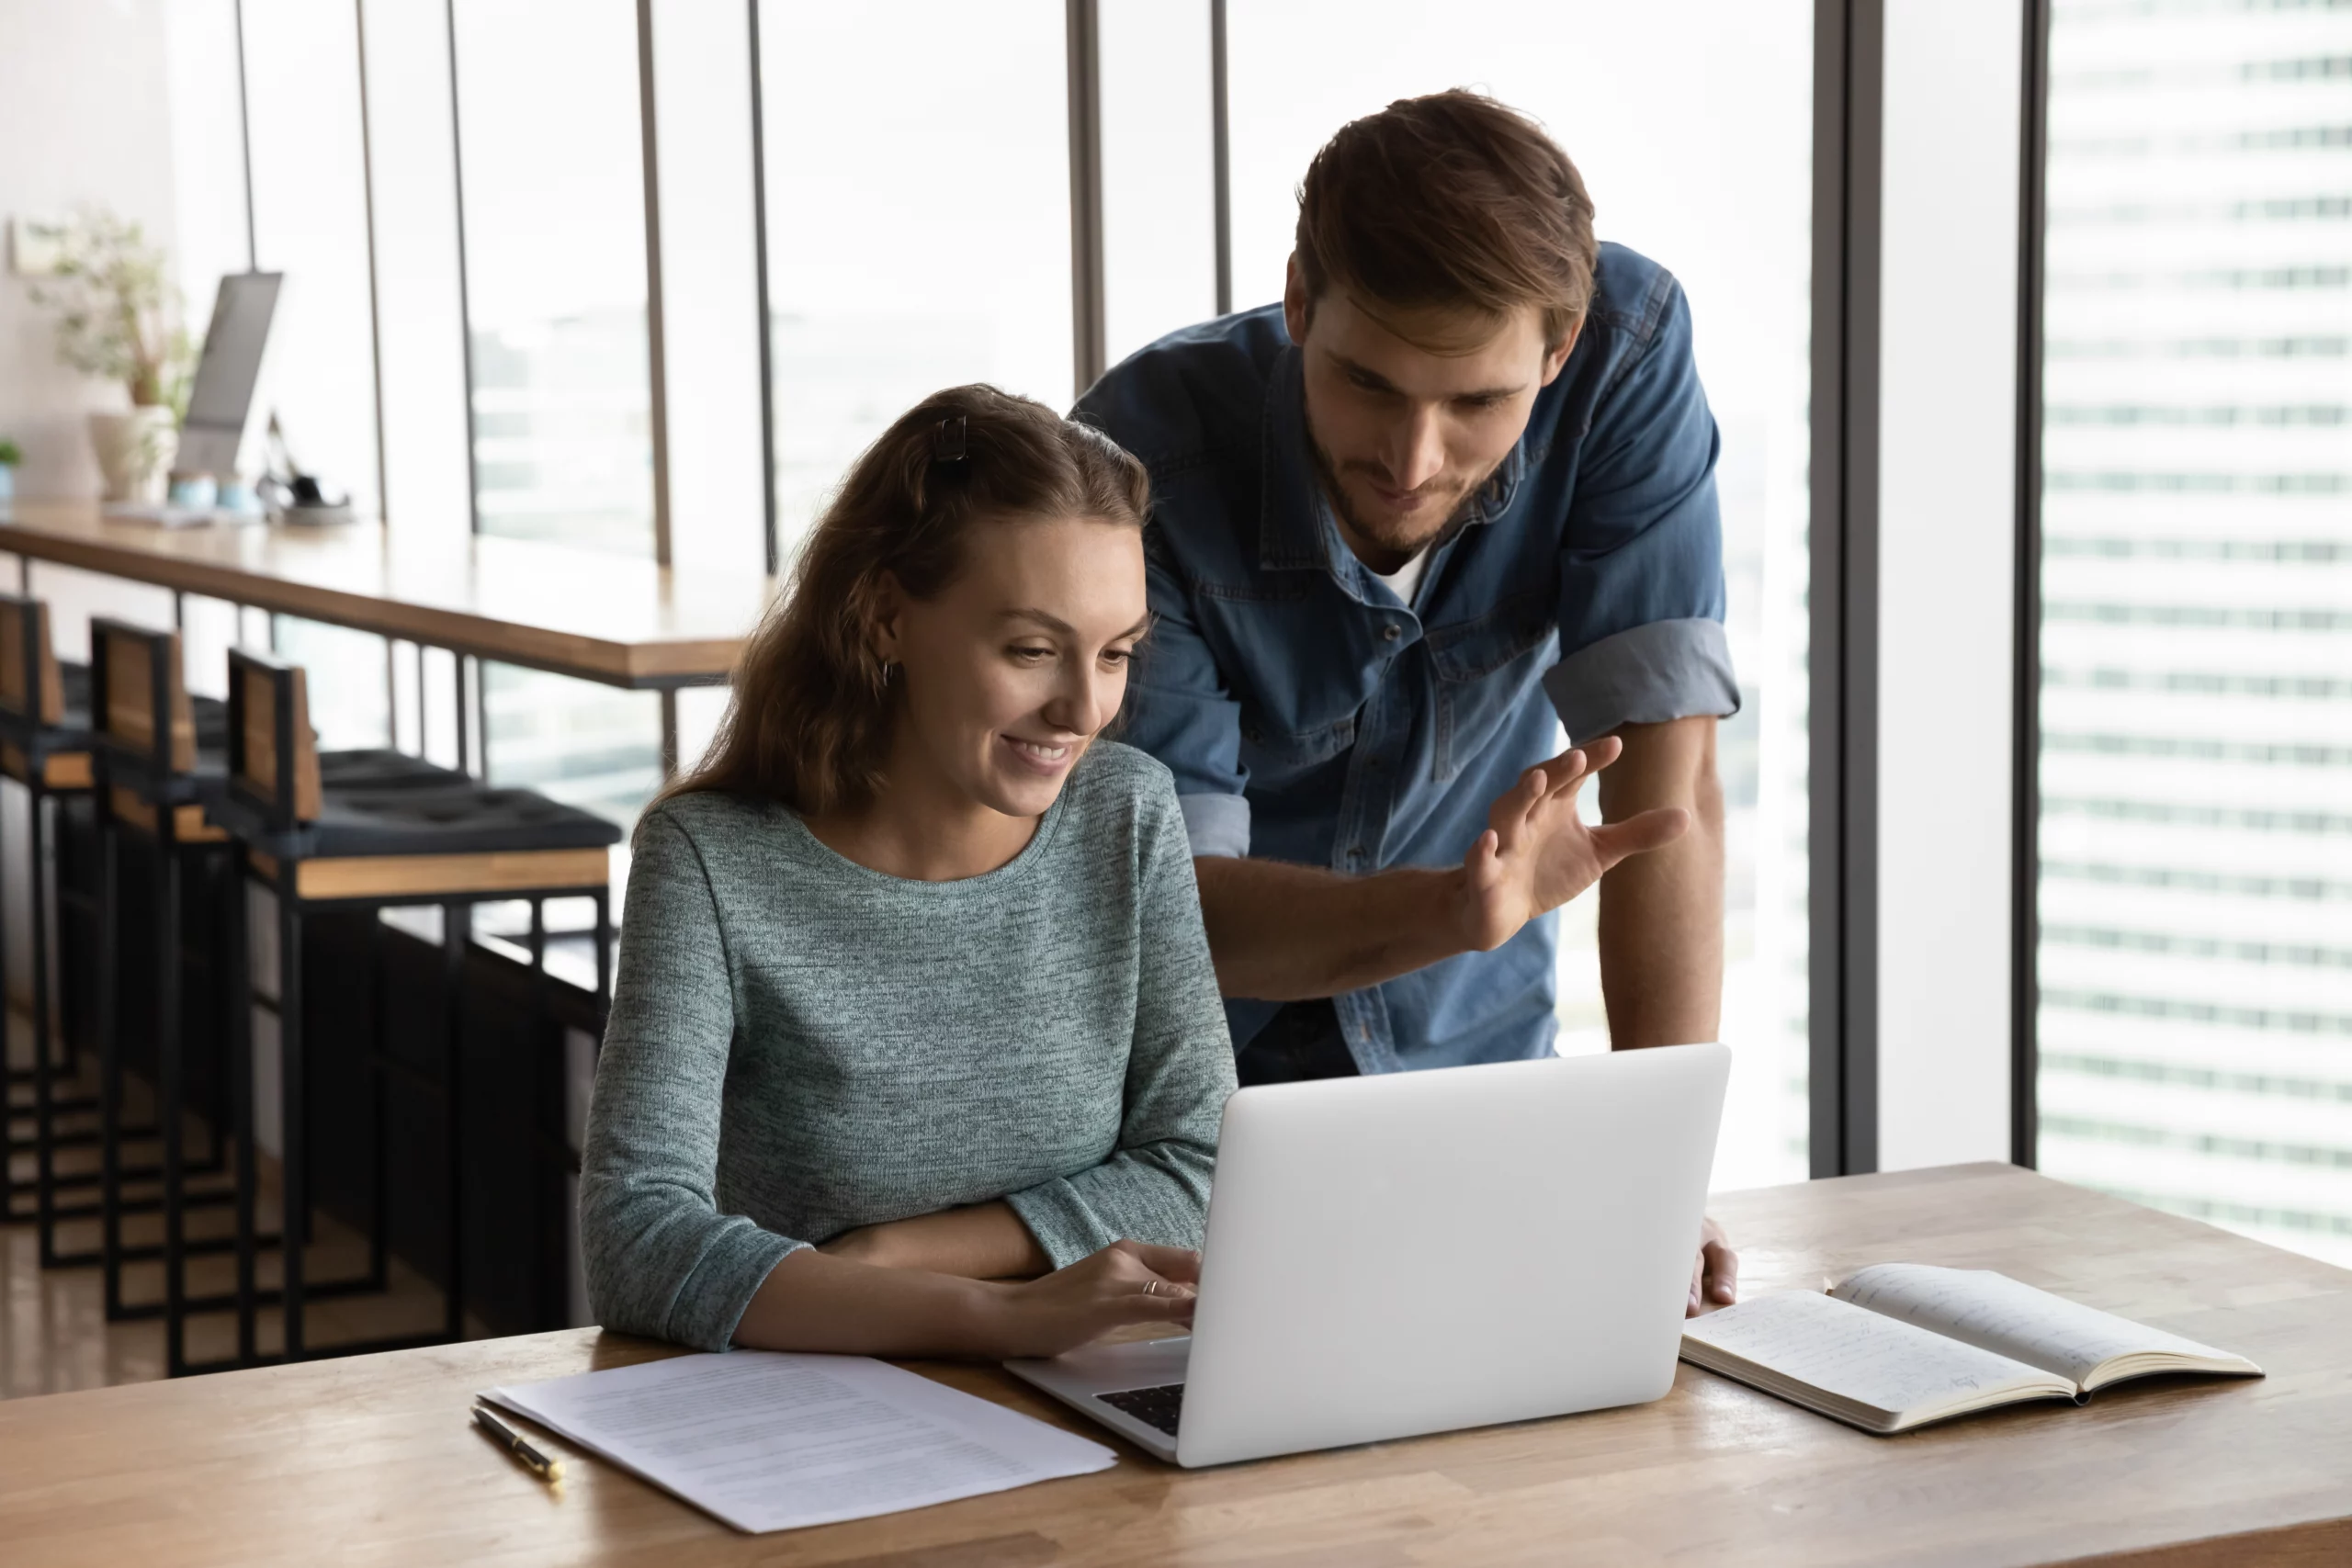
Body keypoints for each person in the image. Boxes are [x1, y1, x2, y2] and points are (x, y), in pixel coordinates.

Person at [1077, 89, 1741, 1313]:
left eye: (1477, 404)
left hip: (1473, 1074)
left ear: (1559, 349)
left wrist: (1656, 1171)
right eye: (1367, 383)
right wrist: (1461, 907)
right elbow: (1180, 914)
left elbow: (1665, 797)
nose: (1412, 456)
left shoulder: (1626, 361)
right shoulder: (1139, 454)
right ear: (1297, 304)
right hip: (1185, 1109)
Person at [580, 386, 1238, 1359]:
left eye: (1116, 654)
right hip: (817, 1405)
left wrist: (895, 1255)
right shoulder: (711, 864)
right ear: (886, 616)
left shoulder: (1126, 814)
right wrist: (998, 1315)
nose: (1083, 709)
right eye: (1031, 650)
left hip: (1085, 1388)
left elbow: (1203, 1170)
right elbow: (635, 1239)